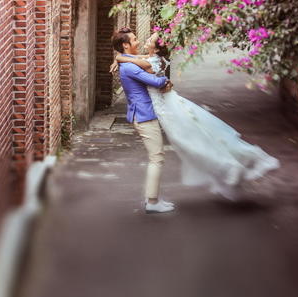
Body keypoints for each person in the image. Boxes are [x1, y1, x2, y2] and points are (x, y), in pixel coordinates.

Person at [114, 33, 280, 200]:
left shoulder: (146, 62)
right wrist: (120, 57)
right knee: (194, 136)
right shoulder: (151, 58)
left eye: (148, 40)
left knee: (190, 141)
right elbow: (139, 60)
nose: (143, 40)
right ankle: (228, 166)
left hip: (167, 107)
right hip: (167, 103)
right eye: (138, 39)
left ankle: (229, 166)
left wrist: (120, 58)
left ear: (156, 48)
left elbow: (138, 63)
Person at [112, 27, 177, 214]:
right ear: (125, 45)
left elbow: (136, 59)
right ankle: (152, 201)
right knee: (156, 158)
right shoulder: (131, 66)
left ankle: (153, 199)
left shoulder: (130, 60)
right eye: (134, 40)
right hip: (144, 116)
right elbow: (156, 82)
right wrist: (165, 80)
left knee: (157, 157)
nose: (138, 41)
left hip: (142, 114)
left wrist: (118, 58)